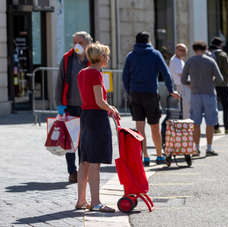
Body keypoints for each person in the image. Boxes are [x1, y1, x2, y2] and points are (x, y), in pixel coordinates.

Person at [122, 32, 179, 166]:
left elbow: (125, 77)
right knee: (155, 126)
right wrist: (171, 90)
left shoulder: (131, 56)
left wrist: (129, 92)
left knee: (139, 127)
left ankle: (145, 156)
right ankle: (159, 155)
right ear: (148, 41)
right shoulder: (155, 54)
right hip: (150, 93)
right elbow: (165, 73)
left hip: (135, 93)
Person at [76, 41, 119, 212]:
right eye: (106, 55)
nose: (107, 58)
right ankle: (95, 202)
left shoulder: (82, 72)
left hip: (86, 116)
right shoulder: (96, 73)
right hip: (96, 118)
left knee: (84, 161)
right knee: (95, 162)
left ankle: (81, 200)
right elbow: (99, 101)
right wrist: (112, 109)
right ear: (100, 57)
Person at [55, 31, 92, 183]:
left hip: (87, 107)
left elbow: (101, 83)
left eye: (80, 42)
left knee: (85, 141)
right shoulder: (66, 59)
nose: (77, 45)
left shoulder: (93, 59)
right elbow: (60, 82)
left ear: (88, 44)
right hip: (70, 106)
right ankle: (72, 172)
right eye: (75, 42)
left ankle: (83, 170)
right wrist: (60, 105)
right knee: (70, 142)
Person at [181, 41, 224, 156]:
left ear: (194, 49)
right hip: (209, 93)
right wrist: (211, 80)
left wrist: (191, 83)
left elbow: (183, 79)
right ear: (205, 49)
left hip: (195, 94)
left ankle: (196, 147)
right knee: (210, 122)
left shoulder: (190, 61)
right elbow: (220, 78)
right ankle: (209, 148)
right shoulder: (210, 61)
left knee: (196, 122)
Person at [209, 37, 228, 134]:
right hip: (222, 84)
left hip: (211, 84)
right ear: (220, 45)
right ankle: (227, 127)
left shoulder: (208, 54)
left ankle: (215, 127)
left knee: (213, 106)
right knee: (226, 106)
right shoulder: (222, 55)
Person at [169, 43, 190, 119]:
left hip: (183, 85)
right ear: (177, 51)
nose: (184, 52)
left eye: (185, 50)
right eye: (182, 50)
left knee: (185, 107)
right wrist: (190, 84)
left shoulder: (179, 60)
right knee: (185, 107)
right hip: (182, 86)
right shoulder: (176, 60)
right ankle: (186, 125)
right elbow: (182, 75)